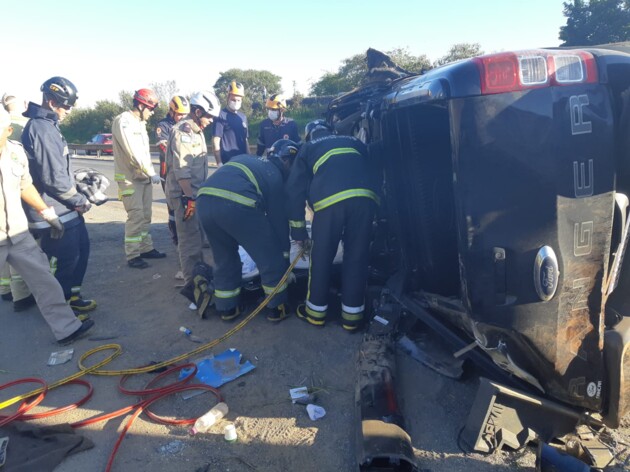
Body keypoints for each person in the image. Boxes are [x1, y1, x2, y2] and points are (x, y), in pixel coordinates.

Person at [0, 108, 94, 344]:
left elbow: (25, 186)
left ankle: (67, 329)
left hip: (17, 233)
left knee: (45, 280)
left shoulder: (14, 153)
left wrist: (46, 211)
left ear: (8, 131)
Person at [286, 121, 379, 331]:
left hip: (329, 204)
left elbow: (295, 191)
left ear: (309, 135)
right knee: (357, 258)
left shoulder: (308, 148)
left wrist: (299, 231)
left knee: (321, 258)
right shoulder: (354, 141)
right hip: (365, 199)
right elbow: (371, 169)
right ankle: (352, 318)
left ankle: (315, 314)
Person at [197, 139, 300, 321]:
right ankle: (278, 307)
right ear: (286, 161)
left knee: (224, 258)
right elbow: (279, 222)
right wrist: (284, 258)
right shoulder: (274, 175)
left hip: (204, 203)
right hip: (237, 204)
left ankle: (227, 309)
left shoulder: (249, 160)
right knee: (270, 256)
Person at [22, 77, 97, 316]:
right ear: (52, 101)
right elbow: (52, 178)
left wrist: (79, 185)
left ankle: (72, 296)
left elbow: (58, 171)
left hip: (63, 208)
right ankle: (61, 311)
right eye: (66, 106)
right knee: (64, 262)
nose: (68, 111)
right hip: (51, 211)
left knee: (80, 251)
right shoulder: (41, 129)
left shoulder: (49, 126)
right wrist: (80, 201)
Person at [165, 90, 220, 290]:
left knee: (198, 239)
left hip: (194, 195)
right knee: (189, 243)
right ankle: (193, 286)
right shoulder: (184, 132)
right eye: (208, 116)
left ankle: (200, 275)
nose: (211, 120)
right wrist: (189, 198)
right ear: (197, 112)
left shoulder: (196, 131)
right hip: (184, 196)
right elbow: (182, 172)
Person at [112, 88, 165, 269]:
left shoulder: (140, 123)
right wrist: (151, 172)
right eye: (150, 109)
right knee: (135, 216)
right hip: (130, 179)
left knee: (146, 216)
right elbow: (133, 152)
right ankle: (133, 255)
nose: (151, 114)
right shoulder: (124, 122)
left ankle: (145, 248)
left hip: (143, 178)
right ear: (141, 106)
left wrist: (149, 174)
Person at [0, 93, 32, 310]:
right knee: (18, 242)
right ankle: (21, 295)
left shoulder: (5, 121)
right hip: (20, 188)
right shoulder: (23, 124)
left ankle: (5, 289)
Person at [156, 95, 190, 252]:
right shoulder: (163, 126)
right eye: (180, 114)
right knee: (172, 204)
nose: (182, 117)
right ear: (171, 111)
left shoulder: (187, 125)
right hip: (168, 170)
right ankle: (176, 237)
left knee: (187, 202)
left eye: (185, 114)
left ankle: (188, 235)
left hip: (184, 169)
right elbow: (164, 147)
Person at [212, 81, 248, 166]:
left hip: (242, 162)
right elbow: (216, 140)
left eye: (238, 100)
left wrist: (248, 157)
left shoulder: (243, 117)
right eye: (233, 100)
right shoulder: (220, 116)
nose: (236, 102)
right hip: (227, 163)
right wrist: (219, 163)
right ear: (228, 97)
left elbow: (245, 140)